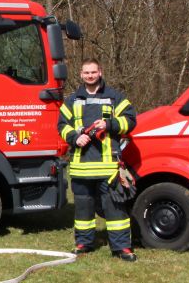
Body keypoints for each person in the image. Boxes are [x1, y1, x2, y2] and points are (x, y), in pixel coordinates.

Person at [58, 59, 138, 261]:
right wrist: (75, 137)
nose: (90, 76)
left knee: (115, 209)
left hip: (108, 168)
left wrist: (109, 124)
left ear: (100, 72)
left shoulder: (114, 97)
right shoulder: (72, 100)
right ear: (81, 74)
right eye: (86, 73)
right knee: (83, 211)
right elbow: (61, 125)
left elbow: (130, 120)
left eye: (93, 72)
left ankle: (121, 248)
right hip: (81, 167)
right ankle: (84, 243)